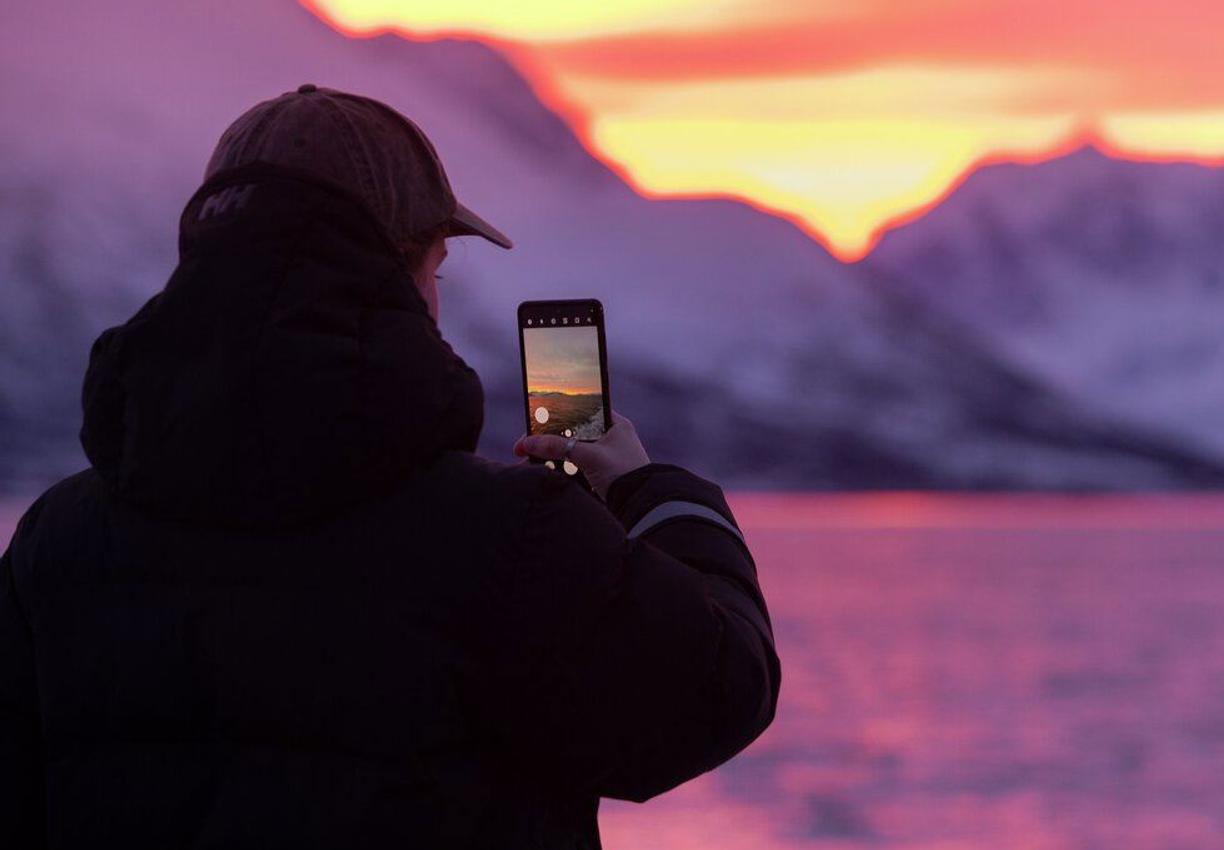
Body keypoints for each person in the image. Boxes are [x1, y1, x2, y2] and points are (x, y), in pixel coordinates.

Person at [0, 85, 779, 849]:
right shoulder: (507, 533)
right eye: (436, 268)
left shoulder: (55, 543)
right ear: (393, 275)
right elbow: (714, 696)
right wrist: (654, 494)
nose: (436, 297)